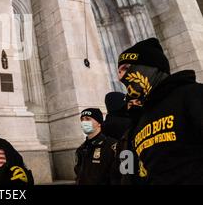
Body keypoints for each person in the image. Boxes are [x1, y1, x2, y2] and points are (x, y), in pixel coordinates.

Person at [117, 37, 203, 184]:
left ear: (147, 67)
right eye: (118, 72)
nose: (120, 77)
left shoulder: (193, 95)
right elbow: (132, 173)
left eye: (125, 68)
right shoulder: (139, 122)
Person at [74, 108, 119, 185]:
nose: (84, 122)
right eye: (82, 119)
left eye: (88, 119)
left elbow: (120, 176)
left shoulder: (112, 145)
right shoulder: (81, 149)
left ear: (99, 123)